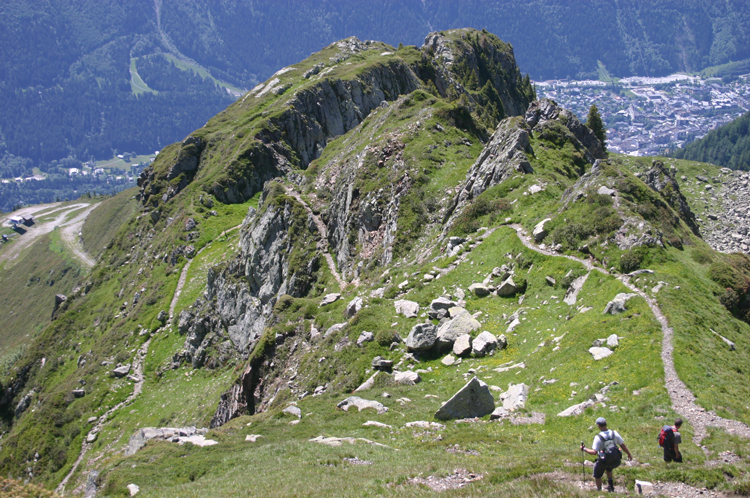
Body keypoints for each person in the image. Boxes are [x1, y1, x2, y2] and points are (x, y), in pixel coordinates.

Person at [581, 417, 633, 492]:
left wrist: (584, 449)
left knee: (597, 474)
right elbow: (622, 445)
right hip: (615, 460)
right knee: (609, 468)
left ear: (598, 426)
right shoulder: (614, 433)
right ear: (606, 424)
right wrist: (629, 454)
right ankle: (611, 486)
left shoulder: (598, 437)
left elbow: (594, 452)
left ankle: (599, 490)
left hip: (603, 460)